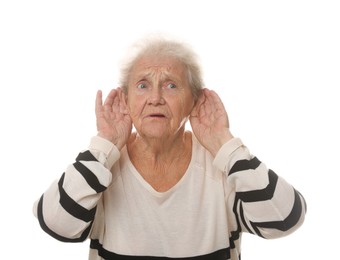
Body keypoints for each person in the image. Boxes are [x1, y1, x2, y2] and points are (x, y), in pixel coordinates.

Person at [33, 35, 306, 260]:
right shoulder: (102, 170)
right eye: (142, 85)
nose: (155, 98)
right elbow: (56, 224)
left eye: (171, 85)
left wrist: (225, 144)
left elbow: (285, 219)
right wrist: (104, 145)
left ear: (194, 101)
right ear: (125, 100)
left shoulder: (221, 168)